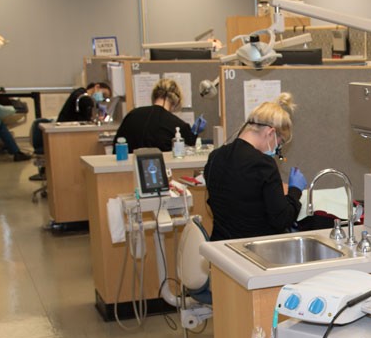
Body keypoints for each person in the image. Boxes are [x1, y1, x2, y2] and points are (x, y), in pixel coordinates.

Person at [203, 92, 307, 241]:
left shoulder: (215, 156)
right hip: (252, 250)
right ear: (270, 133)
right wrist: (295, 190)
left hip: (220, 247)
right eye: (279, 144)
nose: (277, 151)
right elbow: (282, 219)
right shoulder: (264, 165)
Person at [113, 78, 195, 152]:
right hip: (164, 167)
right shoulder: (178, 125)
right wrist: (194, 133)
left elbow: (116, 147)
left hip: (129, 167)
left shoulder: (132, 115)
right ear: (176, 102)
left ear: (154, 95)